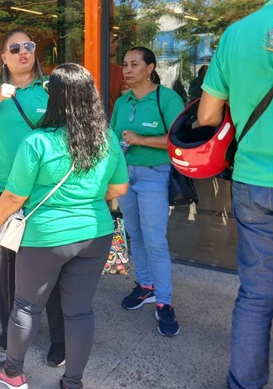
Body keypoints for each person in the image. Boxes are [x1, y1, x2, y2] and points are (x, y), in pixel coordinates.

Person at [0, 63, 128, 389]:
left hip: (45, 238)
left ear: (56, 98)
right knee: (79, 311)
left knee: (26, 305)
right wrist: (86, 197)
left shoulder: (38, 142)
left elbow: (13, 197)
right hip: (94, 234)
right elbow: (119, 189)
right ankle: (72, 382)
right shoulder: (107, 138)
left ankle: (12, 372)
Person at [0, 28, 66, 366]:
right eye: (15, 48)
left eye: (29, 46)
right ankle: (9, 327)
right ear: (3, 57)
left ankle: (60, 338)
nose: (23, 52)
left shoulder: (51, 89)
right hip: (1, 191)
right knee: (10, 262)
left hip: (44, 194)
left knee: (52, 263)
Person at [197, 0, 273, 388]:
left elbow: (207, 116)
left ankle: (245, 384)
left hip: (254, 180)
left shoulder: (237, 32)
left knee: (256, 295)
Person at [109, 46, 185, 336]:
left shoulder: (166, 98)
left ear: (150, 68)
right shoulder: (122, 101)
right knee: (135, 234)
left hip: (155, 174)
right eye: (125, 64)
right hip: (126, 176)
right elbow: (114, 138)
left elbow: (179, 139)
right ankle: (145, 285)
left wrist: (141, 139)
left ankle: (164, 302)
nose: (127, 70)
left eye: (134, 64)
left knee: (154, 240)